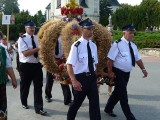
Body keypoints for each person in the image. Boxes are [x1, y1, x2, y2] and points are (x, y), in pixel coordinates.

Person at [104, 24, 148, 120]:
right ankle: (130, 117)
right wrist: (110, 72)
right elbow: (110, 59)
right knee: (123, 95)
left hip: (126, 73)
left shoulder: (133, 45)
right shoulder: (117, 44)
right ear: (124, 33)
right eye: (130, 32)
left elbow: (137, 59)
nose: (132, 34)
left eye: (133, 33)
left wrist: (143, 69)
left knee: (117, 93)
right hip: (118, 72)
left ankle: (108, 108)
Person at [66, 18, 101, 120]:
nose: (91, 31)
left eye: (92, 29)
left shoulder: (93, 46)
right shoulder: (76, 46)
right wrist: (74, 81)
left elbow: (94, 64)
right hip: (81, 79)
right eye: (88, 29)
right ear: (82, 29)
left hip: (91, 78)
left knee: (95, 104)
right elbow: (69, 65)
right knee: (76, 104)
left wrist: (96, 78)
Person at [18, 20, 47, 115]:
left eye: (34, 28)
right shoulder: (22, 39)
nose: (32, 29)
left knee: (38, 87)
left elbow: (42, 50)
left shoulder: (37, 38)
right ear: (26, 28)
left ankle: (39, 108)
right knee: (25, 86)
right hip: (25, 66)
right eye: (30, 28)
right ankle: (24, 102)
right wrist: (38, 48)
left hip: (36, 65)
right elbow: (26, 53)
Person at [45, 36, 72, 105]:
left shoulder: (62, 37)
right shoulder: (49, 38)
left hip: (61, 61)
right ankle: (48, 95)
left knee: (64, 80)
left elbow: (65, 49)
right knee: (49, 80)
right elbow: (46, 51)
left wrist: (64, 57)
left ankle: (67, 99)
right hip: (52, 61)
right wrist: (51, 61)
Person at [0, 31, 17, 119]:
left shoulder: (2, 50)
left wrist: (13, 79)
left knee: (2, 109)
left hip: (0, 83)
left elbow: (8, 66)